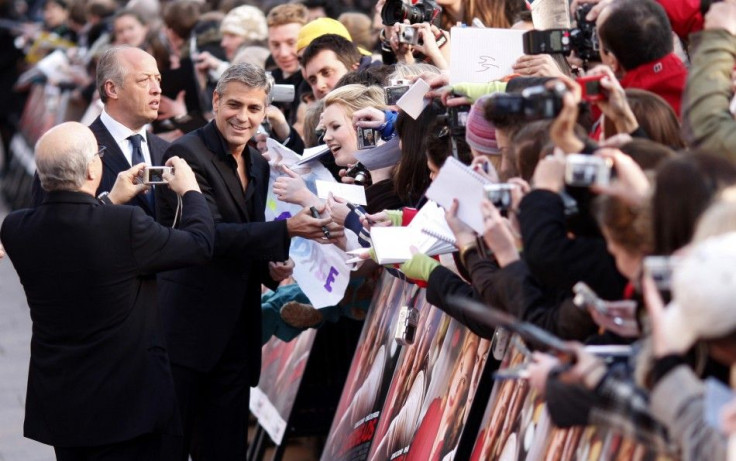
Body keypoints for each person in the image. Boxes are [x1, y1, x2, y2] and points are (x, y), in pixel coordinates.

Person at [155, 62, 340, 460]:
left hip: (237, 337)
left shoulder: (257, 162)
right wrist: (286, 233)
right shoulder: (183, 155)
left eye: (254, 109)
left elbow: (250, 235)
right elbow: (207, 236)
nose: (243, 117)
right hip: (187, 336)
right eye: (234, 105)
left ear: (265, 111)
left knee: (226, 451)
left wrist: (273, 267)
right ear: (216, 101)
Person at [0, 121, 214, 460]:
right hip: (130, 404)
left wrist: (108, 200)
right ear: (90, 170)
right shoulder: (124, 225)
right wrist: (191, 192)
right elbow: (200, 245)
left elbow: (73, 232)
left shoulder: (16, 228)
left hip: (65, 405)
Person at [32, 45, 169, 217]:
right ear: (111, 89)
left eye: (158, 79)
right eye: (144, 80)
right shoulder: (66, 151)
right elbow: (47, 225)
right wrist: (109, 202)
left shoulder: (168, 152)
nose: (157, 89)